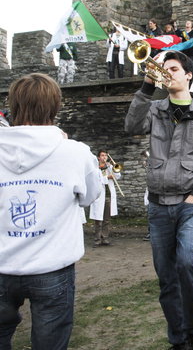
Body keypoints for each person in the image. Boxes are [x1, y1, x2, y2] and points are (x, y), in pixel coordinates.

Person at [124, 50, 193, 350]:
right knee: (167, 277)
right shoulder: (155, 108)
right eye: (164, 68)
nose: (167, 72)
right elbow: (132, 127)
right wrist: (146, 85)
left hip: (191, 204)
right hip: (158, 205)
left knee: (187, 264)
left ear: (188, 75)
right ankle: (179, 338)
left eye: (173, 68)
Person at [0, 73, 102, 350]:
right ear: (55, 107)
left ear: (14, 106)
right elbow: (90, 197)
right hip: (51, 267)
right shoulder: (75, 152)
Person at [89, 150, 121, 246]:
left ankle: (105, 238)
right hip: (99, 196)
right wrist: (108, 177)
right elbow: (97, 179)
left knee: (107, 219)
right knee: (98, 219)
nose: (104, 157)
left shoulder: (110, 166)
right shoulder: (95, 168)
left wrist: (114, 168)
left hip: (108, 195)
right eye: (102, 155)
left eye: (106, 156)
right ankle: (97, 240)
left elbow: (118, 176)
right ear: (98, 157)